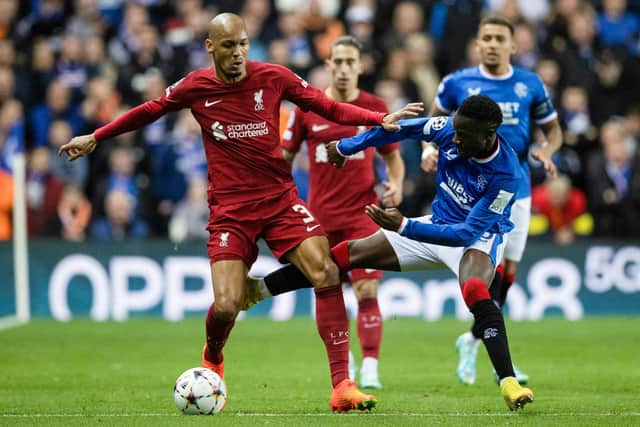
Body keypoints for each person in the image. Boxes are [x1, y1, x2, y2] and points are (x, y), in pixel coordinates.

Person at [58, 13, 422, 412]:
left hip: (280, 201)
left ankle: (342, 386)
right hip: (231, 210)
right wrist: (97, 136)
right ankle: (213, 354)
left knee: (325, 270)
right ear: (211, 47)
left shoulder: (273, 77)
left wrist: (376, 119)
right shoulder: (196, 86)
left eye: (244, 44)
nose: (239, 53)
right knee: (228, 304)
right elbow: (149, 110)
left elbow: (326, 106)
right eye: (229, 46)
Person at [248, 95, 535, 411]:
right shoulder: (449, 128)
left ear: (489, 133)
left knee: (476, 290)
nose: (454, 139)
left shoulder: (506, 176)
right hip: (434, 224)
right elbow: (398, 130)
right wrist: (348, 147)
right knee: (339, 257)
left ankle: (509, 382)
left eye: (463, 135)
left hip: (476, 238)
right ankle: (258, 290)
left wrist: (403, 226)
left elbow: (465, 233)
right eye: (455, 131)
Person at [423, 15, 563, 385]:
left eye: (500, 38)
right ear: (477, 43)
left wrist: (548, 150)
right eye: (486, 37)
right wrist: (427, 149)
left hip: (516, 189)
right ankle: (496, 359)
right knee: (488, 273)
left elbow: (553, 129)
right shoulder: (457, 82)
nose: (492, 44)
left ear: (513, 46)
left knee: (508, 277)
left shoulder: (529, 84)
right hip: (471, 194)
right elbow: (434, 122)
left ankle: (470, 339)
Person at [282, 35, 405, 389]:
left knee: (367, 290)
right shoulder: (308, 108)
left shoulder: (373, 106)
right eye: (338, 62)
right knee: (328, 289)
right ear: (328, 66)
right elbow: (284, 160)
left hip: (361, 216)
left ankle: (370, 367)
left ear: (361, 66)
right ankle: (344, 361)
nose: (344, 68)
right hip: (319, 219)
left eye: (351, 62)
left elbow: (393, 159)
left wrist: (394, 184)